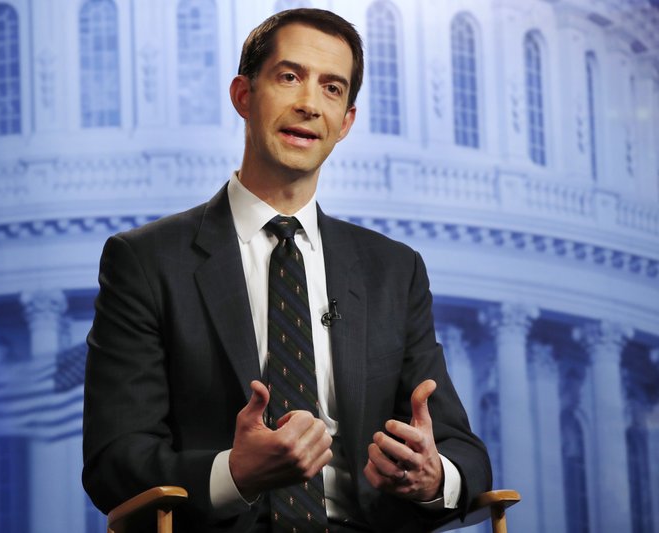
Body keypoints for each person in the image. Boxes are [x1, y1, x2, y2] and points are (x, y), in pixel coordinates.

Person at [83, 8, 491, 532]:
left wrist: (434, 477)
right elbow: (114, 462)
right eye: (289, 77)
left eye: (332, 88)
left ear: (346, 123)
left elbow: (466, 454)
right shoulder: (145, 261)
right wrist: (234, 473)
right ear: (243, 96)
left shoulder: (393, 271)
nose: (308, 105)